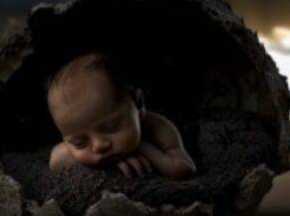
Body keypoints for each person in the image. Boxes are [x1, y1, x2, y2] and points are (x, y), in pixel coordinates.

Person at [46, 52, 196, 180]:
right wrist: (111, 163)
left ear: (138, 104)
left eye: (111, 128)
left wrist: (140, 148)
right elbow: (56, 161)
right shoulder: (81, 141)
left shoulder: (158, 127)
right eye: (80, 142)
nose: (99, 146)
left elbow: (183, 168)